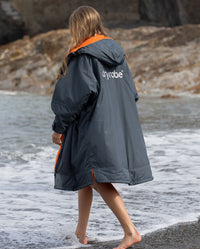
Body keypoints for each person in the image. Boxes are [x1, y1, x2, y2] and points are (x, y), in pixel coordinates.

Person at [51, 6, 153, 249]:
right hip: (116, 126)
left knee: (97, 178)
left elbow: (72, 97)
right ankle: (80, 232)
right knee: (86, 175)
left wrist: (59, 127)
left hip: (92, 128)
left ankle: (130, 231)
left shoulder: (83, 56)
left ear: (77, 27)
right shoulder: (118, 54)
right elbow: (132, 93)